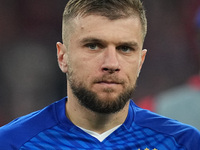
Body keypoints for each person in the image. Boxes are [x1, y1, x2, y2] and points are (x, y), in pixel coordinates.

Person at [0, 0, 199, 149]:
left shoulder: (183, 142)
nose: (111, 64)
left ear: (141, 61)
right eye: (93, 46)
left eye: (125, 48)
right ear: (63, 57)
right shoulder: (13, 142)